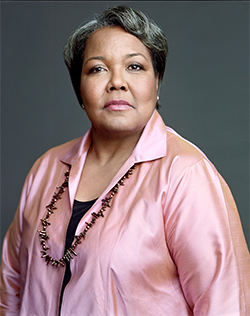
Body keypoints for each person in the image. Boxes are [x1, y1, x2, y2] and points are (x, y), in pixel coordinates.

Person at [0, 4, 249, 316]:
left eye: (134, 67)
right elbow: (10, 287)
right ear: (80, 88)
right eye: (97, 69)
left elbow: (226, 303)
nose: (116, 82)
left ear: (157, 82)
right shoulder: (46, 169)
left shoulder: (185, 174)